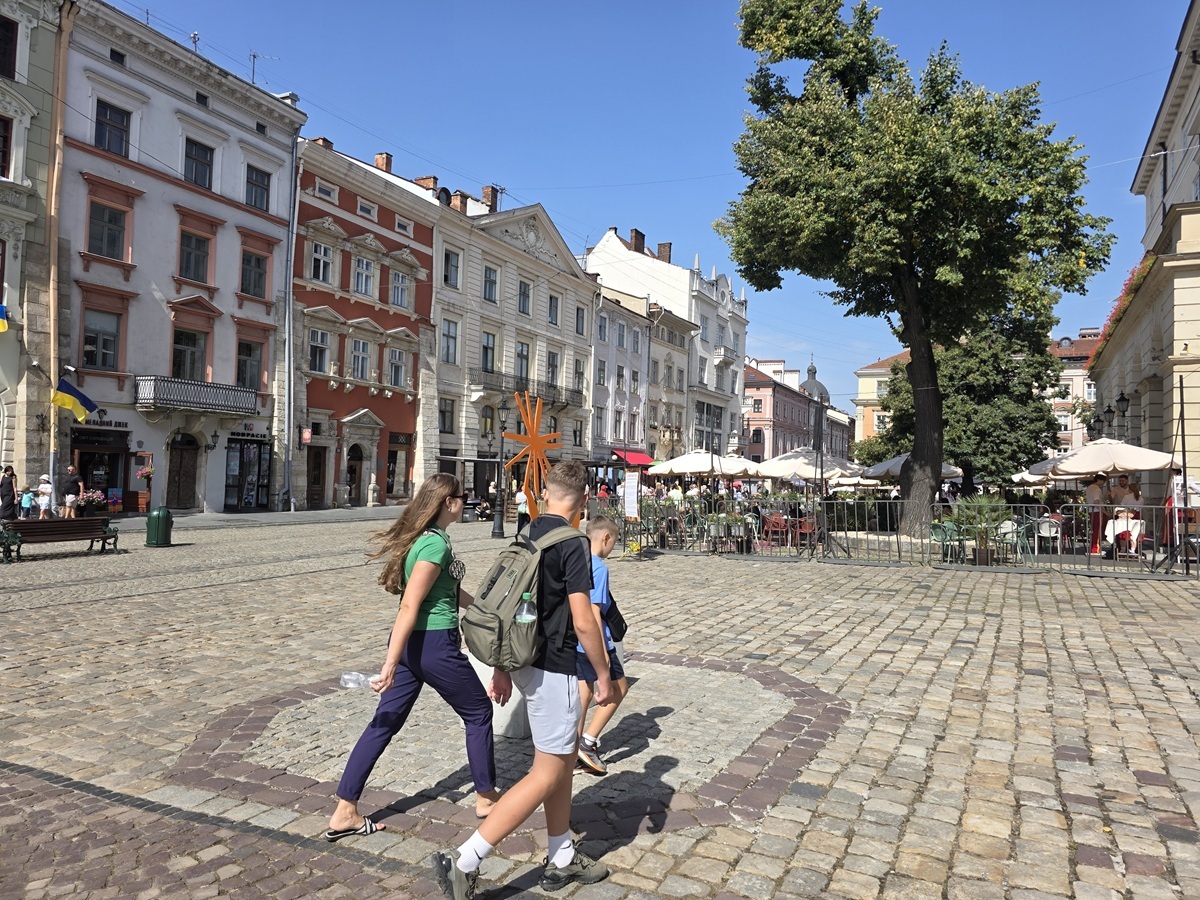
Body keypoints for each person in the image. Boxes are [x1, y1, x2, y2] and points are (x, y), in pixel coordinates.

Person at [432, 460, 612, 898]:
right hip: (556, 667)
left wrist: (502, 667)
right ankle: (466, 859)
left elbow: (510, 603)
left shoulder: (529, 532)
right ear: (585, 500)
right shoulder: (573, 543)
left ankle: (561, 855)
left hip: (526, 661)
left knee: (561, 764)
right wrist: (603, 674)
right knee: (546, 773)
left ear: (545, 493)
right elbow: (584, 620)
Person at [324, 473, 506, 843]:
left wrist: (481, 608)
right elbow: (410, 604)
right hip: (433, 645)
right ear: (448, 502)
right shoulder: (434, 545)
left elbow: (446, 591)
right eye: (463, 496)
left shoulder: (427, 539)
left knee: (384, 722)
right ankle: (487, 797)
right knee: (478, 712)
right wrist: (389, 663)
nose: (466, 501)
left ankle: (345, 810)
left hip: (414, 645)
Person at [575, 516, 629, 776]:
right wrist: (603, 652)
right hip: (595, 641)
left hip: (575, 641)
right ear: (606, 538)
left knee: (582, 695)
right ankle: (588, 742)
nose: (612, 548)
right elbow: (594, 610)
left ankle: (571, 749)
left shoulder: (577, 561)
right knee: (619, 688)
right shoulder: (599, 567)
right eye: (614, 542)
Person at [1084, 473, 1108, 554]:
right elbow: (1096, 502)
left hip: (1092, 511)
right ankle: (1095, 548)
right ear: (1099, 480)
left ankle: (1095, 547)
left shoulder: (1089, 488)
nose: (1103, 483)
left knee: (1095, 529)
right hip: (1098, 511)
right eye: (1103, 481)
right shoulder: (1096, 489)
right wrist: (1105, 512)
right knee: (1098, 530)